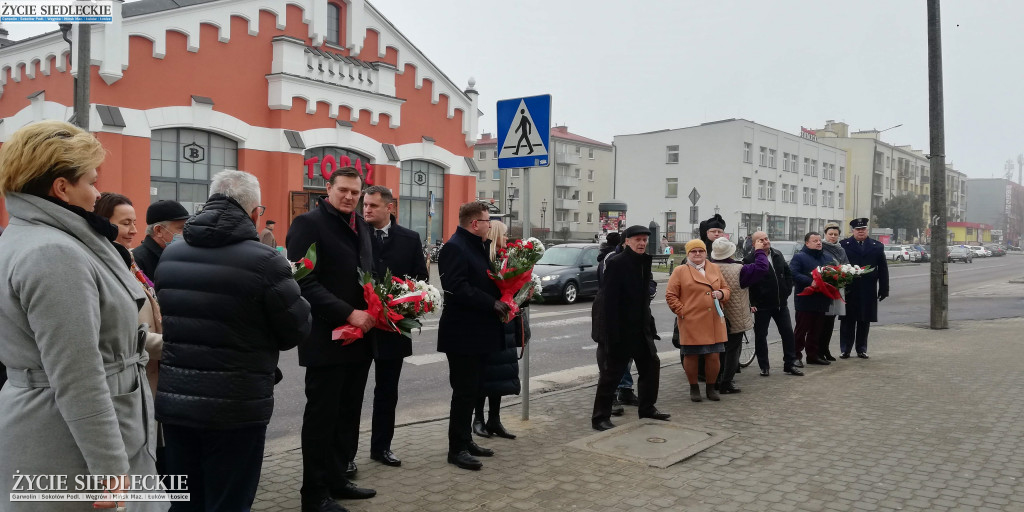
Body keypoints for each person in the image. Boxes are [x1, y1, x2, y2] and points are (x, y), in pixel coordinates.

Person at [0, 120, 163, 511]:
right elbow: (77, 373)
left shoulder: (36, 238)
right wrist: (109, 469)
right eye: (91, 181)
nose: (97, 192)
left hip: (69, 426)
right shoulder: (54, 253)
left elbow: (99, 335)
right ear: (62, 187)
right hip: (72, 442)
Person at [154, 171, 310, 511]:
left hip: (178, 403)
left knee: (184, 502)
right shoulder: (266, 261)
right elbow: (295, 330)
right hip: (236, 407)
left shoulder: (171, 254)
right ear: (255, 212)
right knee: (229, 501)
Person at [287, 166, 378, 511]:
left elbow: (365, 276)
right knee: (322, 418)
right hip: (326, 338)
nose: (349, 197)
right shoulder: (308, 224)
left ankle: (338, 479)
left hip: (361, 338)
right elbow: (302, 281)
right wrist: (347, 312)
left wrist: (382, 303)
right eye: (343, 190)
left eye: (355, 193)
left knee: (349, 414)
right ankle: (314, 494)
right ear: (328, 188)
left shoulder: (362, 227)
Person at [95, 192, 169, 473]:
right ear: (104, 223)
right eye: (125, 223)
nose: (134, 231)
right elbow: (119, 331)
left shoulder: (127, 259)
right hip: (131, 380)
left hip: (149, 374)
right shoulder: (105, 265)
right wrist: (174, 344)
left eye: (135, 222)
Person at [437, 201, 509, 470]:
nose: (490, 224)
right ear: (474, 223)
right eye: (487, 220)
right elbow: (456, 287)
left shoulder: (476, 245)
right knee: (464, 392)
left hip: (480, 332)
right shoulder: (455, 247)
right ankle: (456, 449)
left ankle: (466, 441)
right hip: (462, 334)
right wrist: (491, 303)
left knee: (474, 389)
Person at [362, 185, 429, 467]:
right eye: (364, 205)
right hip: (360, 326)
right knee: (350, 394)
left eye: (373, 206)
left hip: (393, 328)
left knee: (387, 391)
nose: (366, 209)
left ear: (390, 208)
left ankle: (382, 447)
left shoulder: (409, 238)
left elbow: (421, 280)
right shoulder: (354, 233)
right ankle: (344, 456)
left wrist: (405, 303)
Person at [590, 225, 669, 431]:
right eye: (638, 240)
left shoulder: (644, 262)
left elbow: (644, 299)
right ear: (627, 241)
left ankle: (647, 408)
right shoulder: (616, 263)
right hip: (621, 330)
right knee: (611, 374)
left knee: (651, 366)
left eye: (644, 240)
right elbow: (609, 302)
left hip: (641, 328)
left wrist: (649, 325)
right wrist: (612, 334)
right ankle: (600, 418)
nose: (642, 243)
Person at [473, 220, 528, 440]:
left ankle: (494, 419)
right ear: (495, 234)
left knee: (499, 376)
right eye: (504, 235)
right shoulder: (484, 259)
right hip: (486, 324)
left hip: (506, 324)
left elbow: (516, 289)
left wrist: (523, 296)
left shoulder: (508, 259)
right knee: (482, 375)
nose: (507, 238)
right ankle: (478, 419)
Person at [667, 239, 730, 402]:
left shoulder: (714, 268)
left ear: (706, 253)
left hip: (714, 319)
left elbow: (726, 289)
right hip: (691, 320)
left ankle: (711, 387)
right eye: (693, 251)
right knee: (691, 355)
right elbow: (670, 295)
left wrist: (722, 294)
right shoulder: (680, 271)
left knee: (714, 355)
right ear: (688, 254)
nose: (697, 254)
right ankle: (694, 387)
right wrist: (682, 312)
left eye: (700, 251)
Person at [708, 237, 769, 394]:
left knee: (716, 349)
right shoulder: (739, 269)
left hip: (712, 314)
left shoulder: (708, 267)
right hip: (735, 314)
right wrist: (759, 251)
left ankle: (713, 381)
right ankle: (726, 382)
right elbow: (762, 267)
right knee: (733, 349)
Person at [743, 231, 802, 377]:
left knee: (788, 333)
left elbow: (788, 273)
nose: (765, 241)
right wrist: (753, 302)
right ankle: (764, 366)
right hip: (762, 305)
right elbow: (747, 285)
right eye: (761, 240)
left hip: (780, 303)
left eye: (766, 238)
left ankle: (789, 364)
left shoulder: (777, 254)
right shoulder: (750, 259)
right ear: (754, 243)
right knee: (761, 335)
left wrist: (787, 290)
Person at [838, 218, 890, 359]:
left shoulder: (877, 246)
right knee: (847, 321)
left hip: (868, 289)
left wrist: (884, 289)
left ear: (867, 230)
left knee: (864, 320)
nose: (861, 232)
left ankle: (861, 349)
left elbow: (883, 269)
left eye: (863, 229)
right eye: (858, 230)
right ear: (853, 231)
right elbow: (838, 267)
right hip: (849, 289)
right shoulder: (843, 245)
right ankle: (845, 349)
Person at [790, 232, 833, 366]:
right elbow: (793, 273)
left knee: (817, 330)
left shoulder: (827, 257)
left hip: (821, 299)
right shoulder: (799, 257)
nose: (819, 243)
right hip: (805, 299)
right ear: (807, 243)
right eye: (815, 241)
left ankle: (813, 355)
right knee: (801, 330)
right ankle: (795, 356)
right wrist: (810, 282)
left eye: (819, 240)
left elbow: (832, 273)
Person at [133, 199, 190, 280]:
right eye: (181, 228)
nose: (186, 232)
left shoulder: (180, 255)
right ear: (158, 230)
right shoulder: (137, 262)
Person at [820, 222, 849, 361]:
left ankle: (826, 349)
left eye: (835, 234)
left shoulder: (841, 249)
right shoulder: (820, 247)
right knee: (822, 320)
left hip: (837, 286)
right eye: (830, 234)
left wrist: (846, 272)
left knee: (831, 320)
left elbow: (846, 265)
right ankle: (819, 350)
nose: (832, 237)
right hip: (823, 287)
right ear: (825, 234)